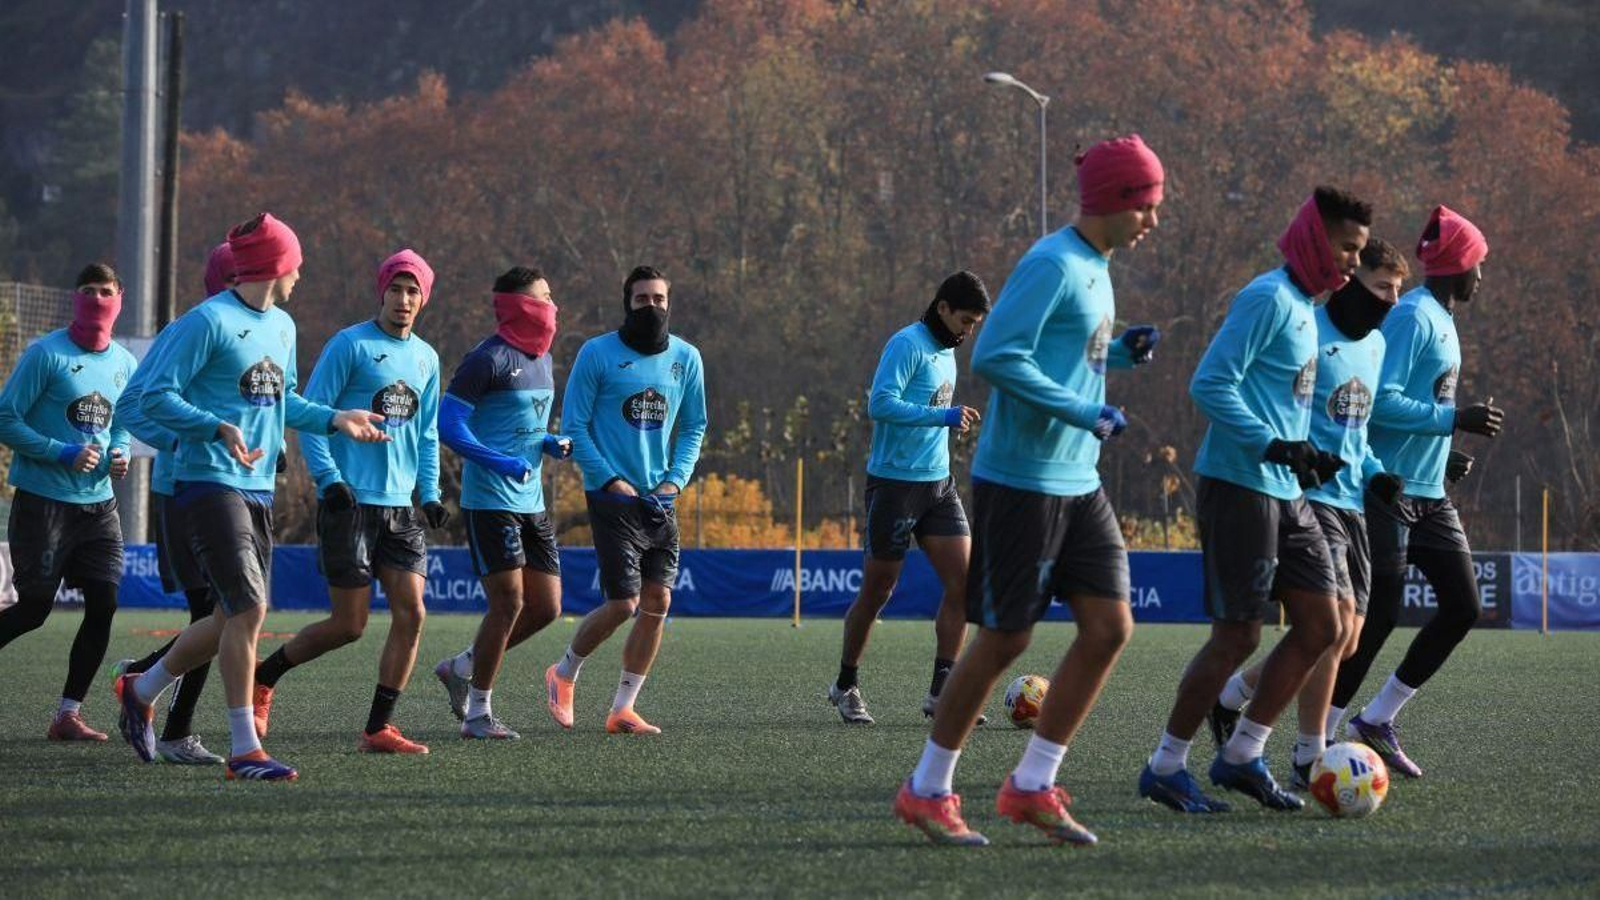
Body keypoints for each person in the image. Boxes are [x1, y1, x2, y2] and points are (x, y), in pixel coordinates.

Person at [894, 135, 1164, 846]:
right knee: (1006, 639)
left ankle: (1033, 784)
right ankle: (927, 789)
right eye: (1148, 204)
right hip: (1023, 479)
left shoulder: (1099, 269)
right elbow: (997, 356)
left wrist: (1119, 358)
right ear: (1115, 200)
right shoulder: (1053, 262)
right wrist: (1084, 411)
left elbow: (1066, 360)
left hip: (1080, 481)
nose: (1154, 219)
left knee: (1110, 628)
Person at [112, 212, 388, 781]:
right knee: (249, 610)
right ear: (275, 265)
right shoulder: (205, 322)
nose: (300, 276)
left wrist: (337, 418)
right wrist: (213, 427)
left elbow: (285, 399)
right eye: (297, 264)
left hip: (257, 487)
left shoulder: (283, 326)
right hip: (206, 481)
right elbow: (147, 398)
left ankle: (141, 690)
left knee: (225, 616)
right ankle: (245, 749)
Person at [1138, 187, 1371, 814]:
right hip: (1239, 487)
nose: (1353, 262)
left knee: (1325, 626)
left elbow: (1280, 405)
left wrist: (1305, 452)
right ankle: (1165, 765)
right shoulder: (1267, 296)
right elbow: (1209, 384)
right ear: (1317, 239)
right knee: (1238, 636)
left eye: (1358, 251)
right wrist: (1273, 444)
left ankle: (1243, 754)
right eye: (1347, 248)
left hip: (1285, 489)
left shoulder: (1304, 306)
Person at [1206, 238, 1411, 787]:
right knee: (1331, 626)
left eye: (1398, 290)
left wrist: (1376, 475)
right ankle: (1308, 755)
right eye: (1382, 288)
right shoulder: (1309, 331)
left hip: (1352, 503)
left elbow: (1358, 432)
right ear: (1351, 281)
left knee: (1344, 640)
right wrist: (1282, 453)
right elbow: (1269, 401)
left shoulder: (1375, 346)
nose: (1390, 301)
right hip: (1309, 495)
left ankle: (1234, 695)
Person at [1329, 206, 1503, 778]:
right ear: (1460, 266)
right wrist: (1453, 418)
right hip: (1388, 489)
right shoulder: (1415, 317)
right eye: (1479, 264)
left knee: (1463, 606)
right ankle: (1322, 736)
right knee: (1376, 616)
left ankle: (1376, 720)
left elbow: (1418, 406)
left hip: (1429, 492)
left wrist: (1442, 452)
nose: (1482, 276)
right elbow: (1381, 400)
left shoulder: (1445, 319)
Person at [249, 249, 445, 754]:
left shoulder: (426, 357)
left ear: (424, 299)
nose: (404, 299)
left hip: (401, 510)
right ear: (382, 291)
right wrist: (331, 481)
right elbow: (313, 416)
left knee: (413, 613)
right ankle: (264, 677)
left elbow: (426, 434)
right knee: (349, 625)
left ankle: (378, 727)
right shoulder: (350, 345)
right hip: (350, 504)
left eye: (413, 291)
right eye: (396, 289)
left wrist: (431, 493)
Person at [545, 266, 706, 735]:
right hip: (612, 496)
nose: (651, 307)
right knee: (622, 603)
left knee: (658, 601)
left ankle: (623, 708)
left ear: (668, 303)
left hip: (662, 499)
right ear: (627, 304)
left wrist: (675, 481)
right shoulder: (597, 354)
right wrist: (611, 480)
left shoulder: (687, 358)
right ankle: (564, 671)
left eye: (659, 299)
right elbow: (574, 427)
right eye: (642, 300)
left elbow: (695, 426)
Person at [828, 270, 989, 726]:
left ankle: (943, 691)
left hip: (938, 486)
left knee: (964, 584)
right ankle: (845, 684)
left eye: (975, 323)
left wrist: (946, 423)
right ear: (942, 308)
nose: (968, 330)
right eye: (965, 319)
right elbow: (880, 404)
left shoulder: (947, 352)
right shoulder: (907, 344)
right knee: (879, 590)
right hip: (895, 486)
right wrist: (942, 416)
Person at [108, 242, 237, 765]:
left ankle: (142, 680)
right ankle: (170, 722)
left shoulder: (263, 329)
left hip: (235, 489)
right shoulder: (190, 329)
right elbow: (131, 406)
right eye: (234, 275)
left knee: (220, 612)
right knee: (215, 610)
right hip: (183, 490)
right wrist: (179, 439)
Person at [431, 266, 572, 740]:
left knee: (547, 607)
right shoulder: (486, 359)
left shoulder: (544, 358)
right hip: (490, 500)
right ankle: (478, 714)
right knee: (508, 602)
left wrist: (548, 443)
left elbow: (522, 428)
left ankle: (463, 665)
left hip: (530, 501)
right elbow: (448, 426)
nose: (553, 306)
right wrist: (500, 462)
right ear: (520, 305)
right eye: (544, 297)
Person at [0, 263, 136, 741]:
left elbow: (122, 421)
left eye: (105, 291)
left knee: (105, 603)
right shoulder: (45, 355)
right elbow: (5, 418)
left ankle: (67, 714)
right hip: (44, 503)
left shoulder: (123, 362)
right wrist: (62, 452)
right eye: (87, 290)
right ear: (73, 297)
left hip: (99, 506)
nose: (97, 299)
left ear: (120, 296)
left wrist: (118, 452)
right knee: (34, 608)